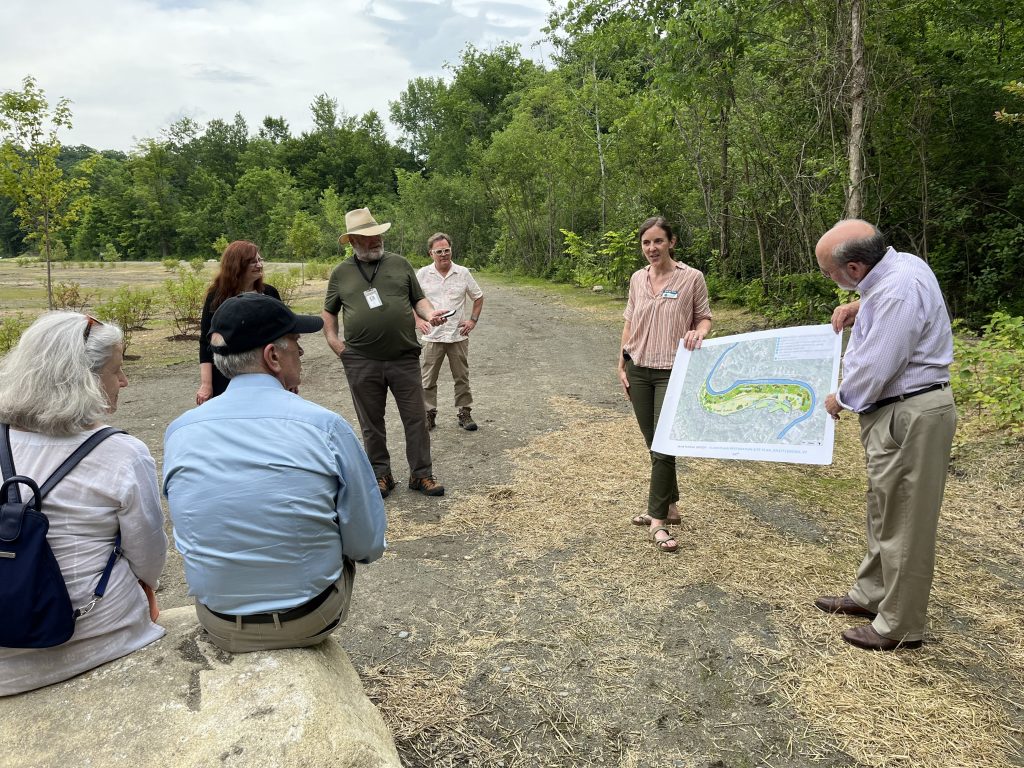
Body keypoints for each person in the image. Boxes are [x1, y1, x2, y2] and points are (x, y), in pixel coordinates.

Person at [163, 293, 386, 653]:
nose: (301, 353)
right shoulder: (325, 426)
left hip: (217, 621)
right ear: (272, 356)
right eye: (296, 343)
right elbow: (367, 544)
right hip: (309, 619)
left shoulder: (179, 430)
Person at [0, 312, 167, 695]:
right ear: (82, 380)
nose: (123, 381)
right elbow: (147, 556)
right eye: (115, 371)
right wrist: (149, 589)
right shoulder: (122, 453)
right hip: (96, 636)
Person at [816, 219, 956, 652]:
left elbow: (878, 366)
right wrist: (861, 307)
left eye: (830, 274)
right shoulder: (900, 268)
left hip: (907, 413)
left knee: (906, 522)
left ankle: (898, 625)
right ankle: (870, 595)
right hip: (898, 413)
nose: (833, 282)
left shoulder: (895, 290)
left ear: (855, 268)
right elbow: (894, 314)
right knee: (885, 509)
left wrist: (841, 397)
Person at [322, 207, 449, 498]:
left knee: (416, 418)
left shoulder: (400, 264)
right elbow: (329, 312)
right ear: (353, 242)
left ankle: (422, 475)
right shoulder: (341, 273)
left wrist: (430, 315)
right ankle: (381, 475)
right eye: (367, 238)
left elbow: (420, 300)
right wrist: (336, 344)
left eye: (377, 234)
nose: (375, 240)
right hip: (360, 361)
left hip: (403, 357)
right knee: (371, 423)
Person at [617, 216, 712, 554]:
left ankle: (657, 520)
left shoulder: (691, 278)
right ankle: (671, 506)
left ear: (671, 241)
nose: (652, 248)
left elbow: (704, 316)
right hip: (639, 370)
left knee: (663, 446)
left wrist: (698, 332)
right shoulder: (636, 280)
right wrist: (622, 361)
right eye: (646, 243)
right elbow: (630, 322)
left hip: (673, 371)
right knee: (653, 443)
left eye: (658, 241)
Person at [196, 240, 281, 405]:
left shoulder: (270, 293)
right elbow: (205, 343)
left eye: (260, 260)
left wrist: (287, 375)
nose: (259, 265)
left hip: (266, 371)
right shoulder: (216, 297)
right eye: (253, 261)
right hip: (226, 375)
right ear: (237, 265)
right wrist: (206, 384)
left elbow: (283, 336)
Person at [415, 232, 485, 431]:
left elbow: (478, 297)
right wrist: (419, 320)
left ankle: (465, 413)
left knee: (461, 377)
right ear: (431, 253)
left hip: (457, 335)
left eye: (447, 250)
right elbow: (410, 299)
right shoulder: (422, 275)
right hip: (432, 336)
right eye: (439, 251)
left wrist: (472, 320)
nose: (444, 254)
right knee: (428, 379)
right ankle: (429, 414)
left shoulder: (462, 273)